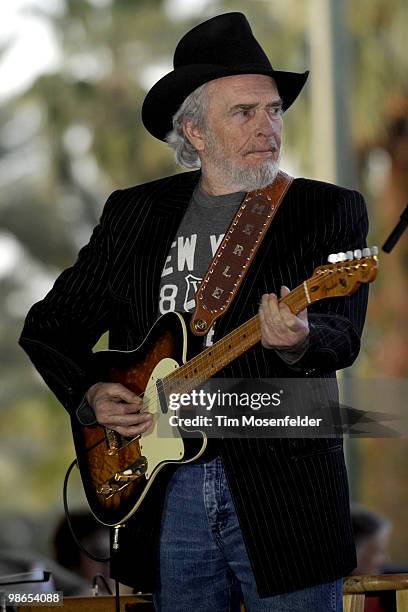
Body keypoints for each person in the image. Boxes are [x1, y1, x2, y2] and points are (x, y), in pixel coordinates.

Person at [19, 12, 370, 612]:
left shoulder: (325, 209)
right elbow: (50, 328)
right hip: (164, 486)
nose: (268, 126)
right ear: (195, 131)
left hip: (285, 492)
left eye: (274, 110)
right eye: (244, 112)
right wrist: (91, 392)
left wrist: (299, 338)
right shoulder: (135, 213)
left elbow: (342, 333)